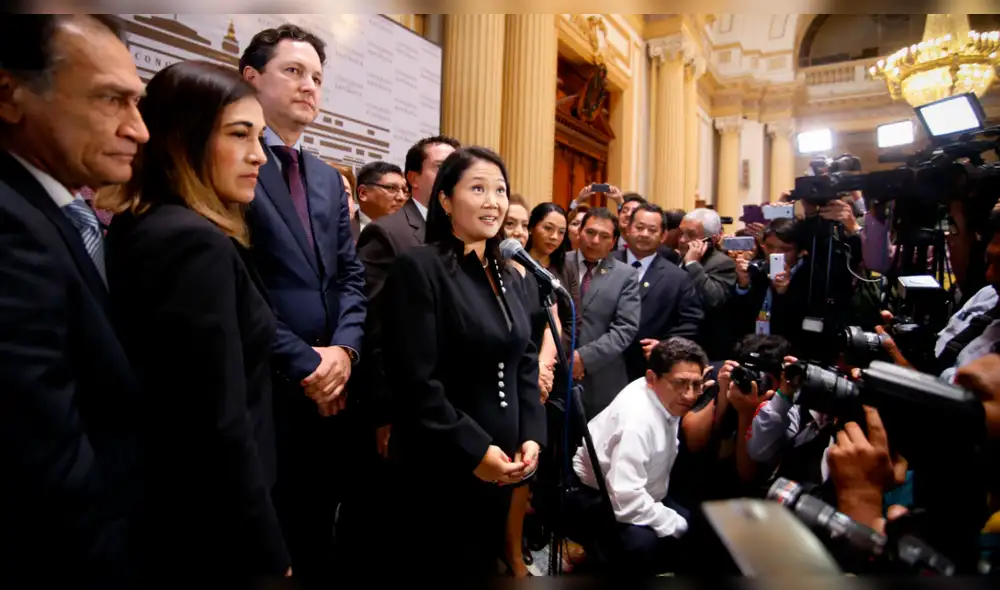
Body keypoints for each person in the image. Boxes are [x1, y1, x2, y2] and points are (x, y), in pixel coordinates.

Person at [101, 61, 289, 581]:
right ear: (183, 139)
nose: (259, 156)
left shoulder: (148, 223)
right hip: (212, 531)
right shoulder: (192, 242)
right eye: (238, 135)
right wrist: (268, 548)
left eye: (260, 137)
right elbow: (217, 420)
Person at [0, 15, 148, 585]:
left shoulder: (46, 210)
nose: (139, 130)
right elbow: (42, 464)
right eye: (112, 100)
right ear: (10, 97)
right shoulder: (10, 225)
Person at [240, 24, 367, 584]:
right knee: (268, 538)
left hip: (333, 388)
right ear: (251, 78)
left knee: (320, 531)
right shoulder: (235, 164)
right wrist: (308, 363)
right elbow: (240, 285)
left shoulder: (323, 175)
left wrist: (343, 352)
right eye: (293, 71)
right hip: (264, 383)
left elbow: (350, 277)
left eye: (317, 76)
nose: (309, 86)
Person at [382, 146, 546, 575]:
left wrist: (532, 435)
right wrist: (476, 450)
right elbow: (416, 381)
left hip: (502, 465)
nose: (493, 201)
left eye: (500, 190)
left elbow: (524, 361)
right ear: (445, 200)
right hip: (442, 465)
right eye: (478, 188)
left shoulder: (513, 275)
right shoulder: (419, 267)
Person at [571, 338, 707, 575]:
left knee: (699, 524)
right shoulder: (638, 421)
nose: (690, 395)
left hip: (642, 490)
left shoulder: (658, 393)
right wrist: (674, 523)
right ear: (652, 378)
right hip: (598, 496)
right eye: (680, 384)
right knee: (660, 541)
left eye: (697, 385)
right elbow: (626, 501)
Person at [614, 203, 703, 382]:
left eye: (652, 230)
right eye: (639, 228)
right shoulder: (606, 264)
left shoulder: (678, 277)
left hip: (649, 370)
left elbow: (690, 322)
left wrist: (665, 346)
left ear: (663, 236)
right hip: (603, 366)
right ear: (628, 229)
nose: (645, 234)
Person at [566, 208, 641, 417]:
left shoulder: (625, 275)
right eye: (590, 232)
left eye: (604, 236)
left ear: (614, 240)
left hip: (601, 379)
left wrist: (584, 357)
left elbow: (625, 328)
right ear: (579, 232)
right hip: (556, 374)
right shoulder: (558, 264)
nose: (595, 240)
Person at [677, 208, 738, 360]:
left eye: (690, 235)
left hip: (705, 347)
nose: (682, 240)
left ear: (711, 239)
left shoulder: (723, 263)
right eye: (681, 233)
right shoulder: (676, 259)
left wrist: (693, 264)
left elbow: (713, 299)